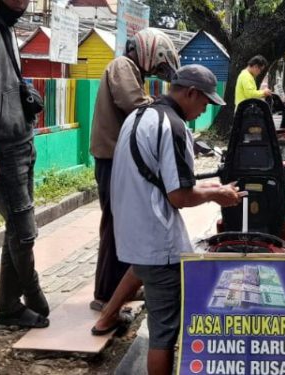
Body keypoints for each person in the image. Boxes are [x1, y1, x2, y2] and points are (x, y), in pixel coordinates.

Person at [110, 64, 246, 375]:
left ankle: (107, 316)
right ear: (190, 93)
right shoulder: (172, 126)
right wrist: (217, 195)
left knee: (162, 324)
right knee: (164, 334)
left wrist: (212, 187)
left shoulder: (138, 116)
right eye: (204, 103)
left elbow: (161, 182)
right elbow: (179, 197)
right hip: (158, 243)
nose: (203, 110)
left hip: (133, 232)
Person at [89, 28, 180, 312]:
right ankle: (105, 294)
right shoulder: (122, 66)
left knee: (122, 225)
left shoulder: (131, 70)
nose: (157, 71)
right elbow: (135, 105)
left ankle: (117, 290)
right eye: (160, 64)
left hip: (118, 160)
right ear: (151, 51)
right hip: (111, 160)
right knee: (115, 226)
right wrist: (166, 108)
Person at [0, 0, 50, 328]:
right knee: (24, 232)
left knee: (15, 231)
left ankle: (8, 308)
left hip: (23, 141)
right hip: (1, 149)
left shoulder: (7, 29)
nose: (24, 2)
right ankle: (32, 293)